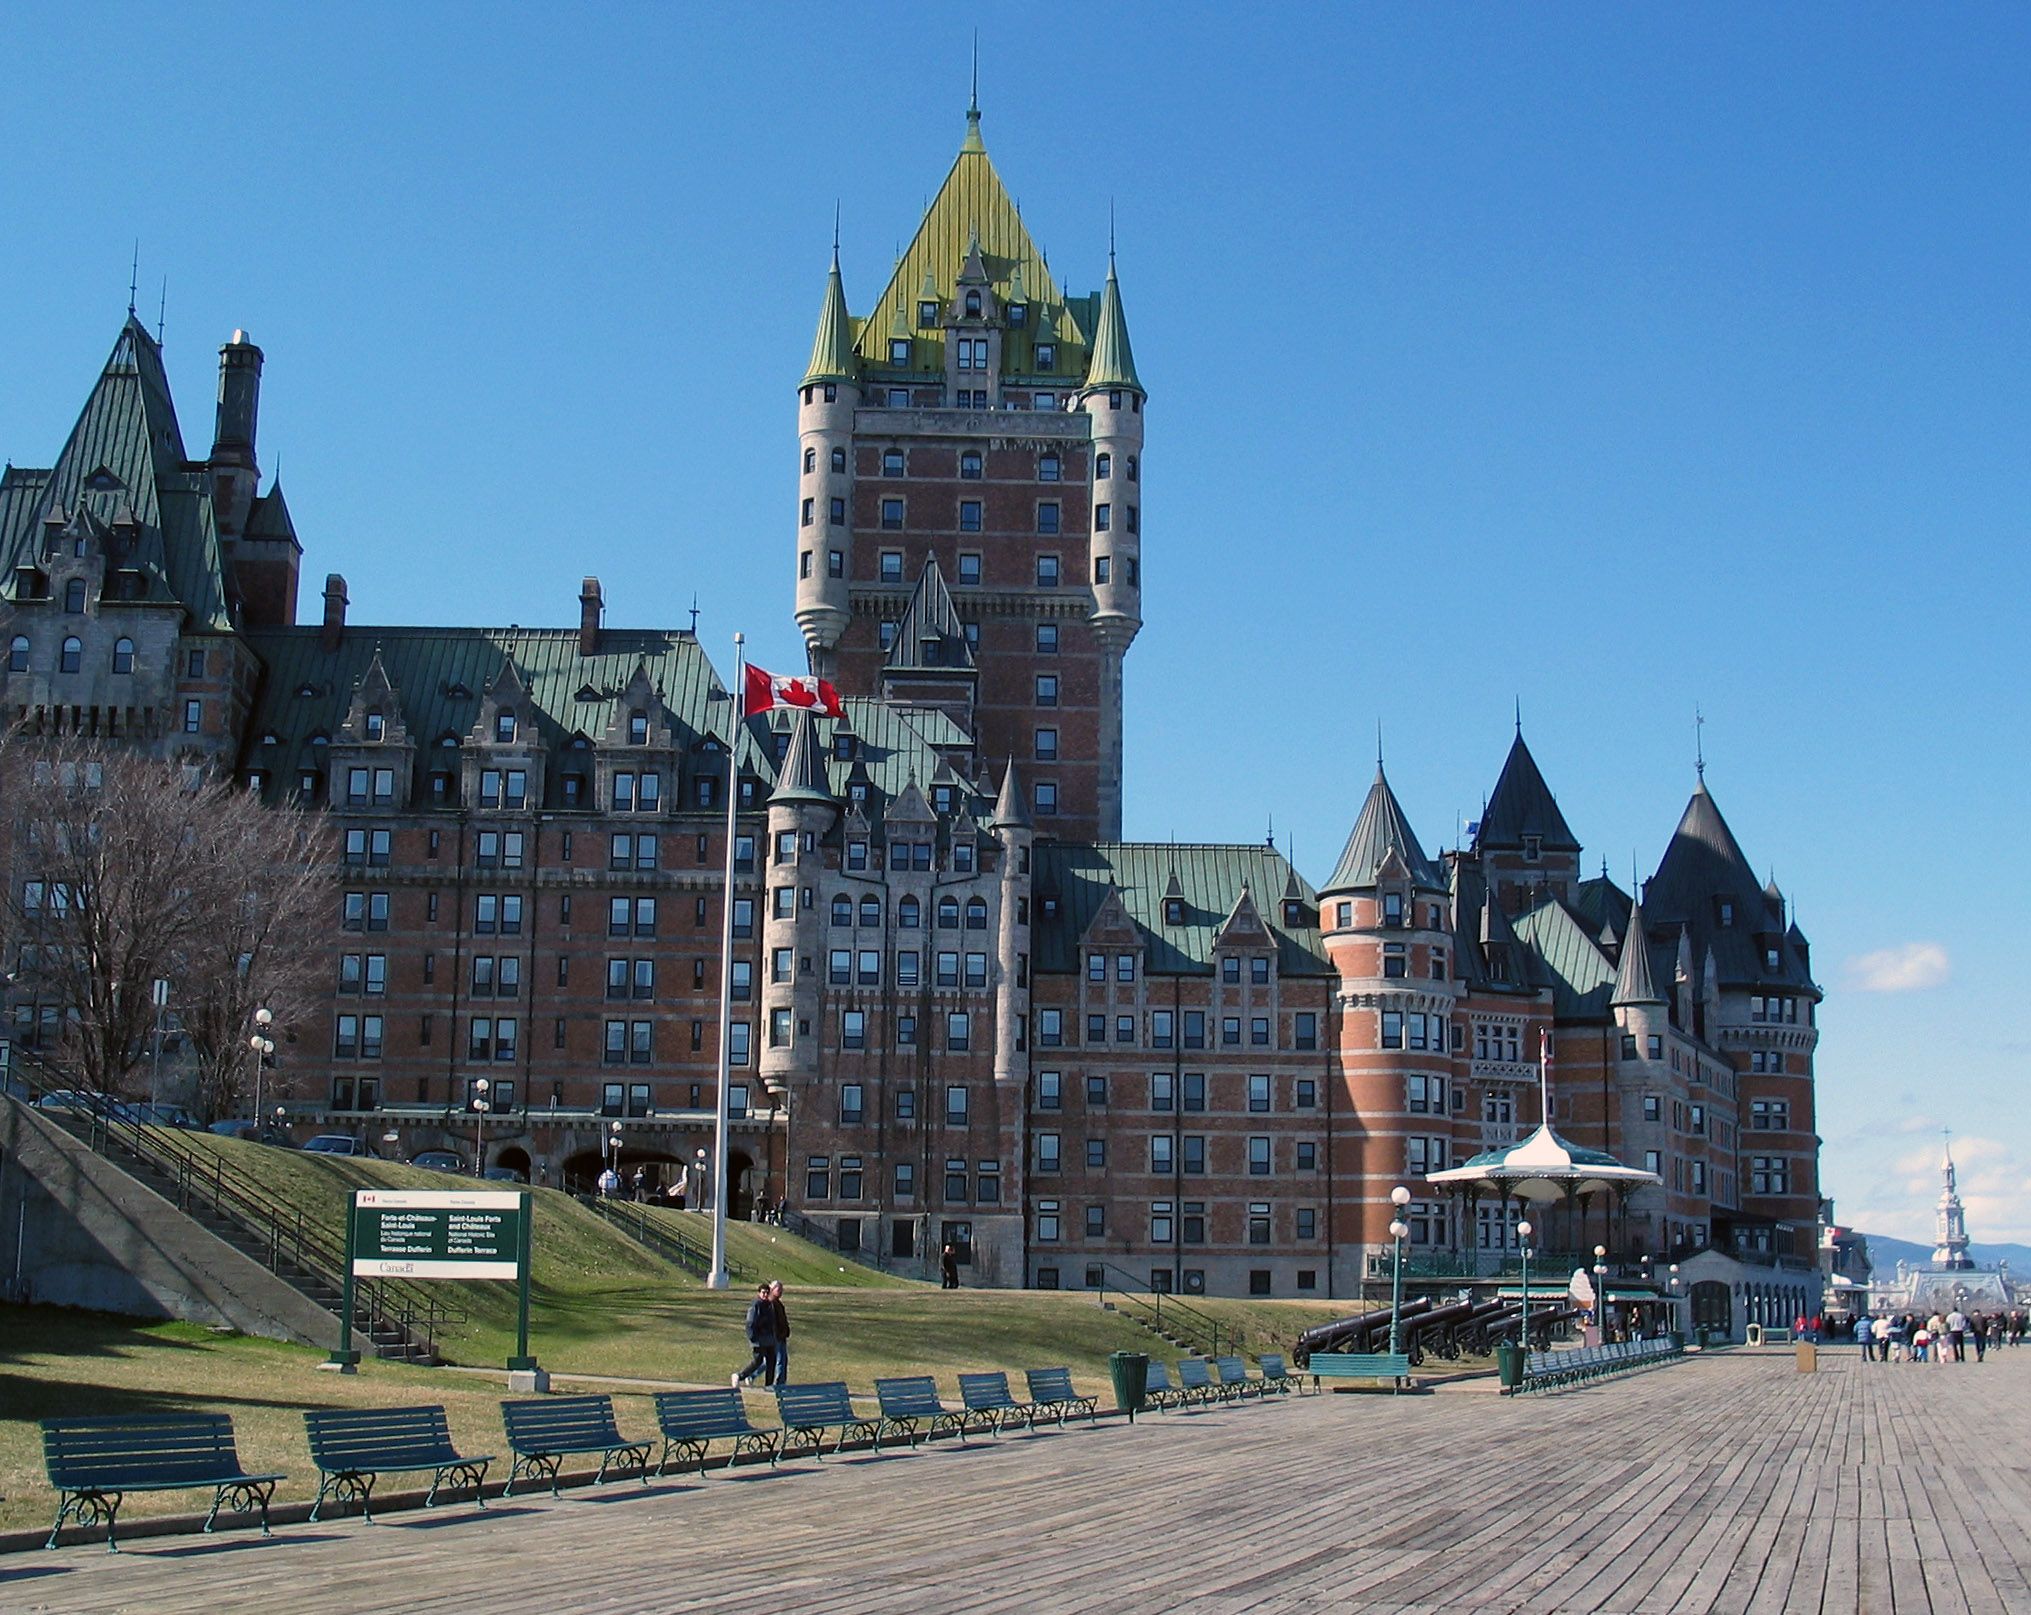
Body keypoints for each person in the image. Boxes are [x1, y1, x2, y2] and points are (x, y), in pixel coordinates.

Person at [732, 1283, 777, 1388]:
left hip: (769, 1339)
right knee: (758, 1361)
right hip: (758, 1340)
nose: (765, 1295)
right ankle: (740, 1376)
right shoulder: (756, 1305)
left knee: (771, 1362)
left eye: (767, 1292)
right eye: (763, 1293)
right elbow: (750, 1323)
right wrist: (753, 1337)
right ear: (759, 1293)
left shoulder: (769, 1305)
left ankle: (769, 1386)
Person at [769, 1280, 791, 1386]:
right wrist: (777, 1334)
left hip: (781, 1336)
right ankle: (780, 1384)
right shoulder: (772, 1303)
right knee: (781, 1360)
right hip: (776, 1337)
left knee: (773, 1360)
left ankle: (751, 1375)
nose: (781, 1291)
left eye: (782, 1289)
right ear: (773, 1290)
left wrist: (786, 1330)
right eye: (779, 1289)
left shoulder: (778, 1303)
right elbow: (772, 1322)